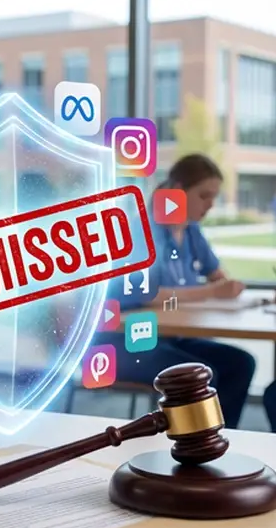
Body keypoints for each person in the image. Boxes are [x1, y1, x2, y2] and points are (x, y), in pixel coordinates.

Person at [95, 154, 254, 429]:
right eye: (204, 195)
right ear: (178, 191)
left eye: (214, 197)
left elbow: (218, 276)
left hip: (171, 336)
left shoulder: (191, 231)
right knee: (202, 377)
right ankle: (195, 450)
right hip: (127, 341)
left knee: (241, 363)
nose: (211, 204)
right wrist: (212, 292)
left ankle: (222, 441)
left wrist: (225, 286)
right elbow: (150, 295)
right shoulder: (141, 230)